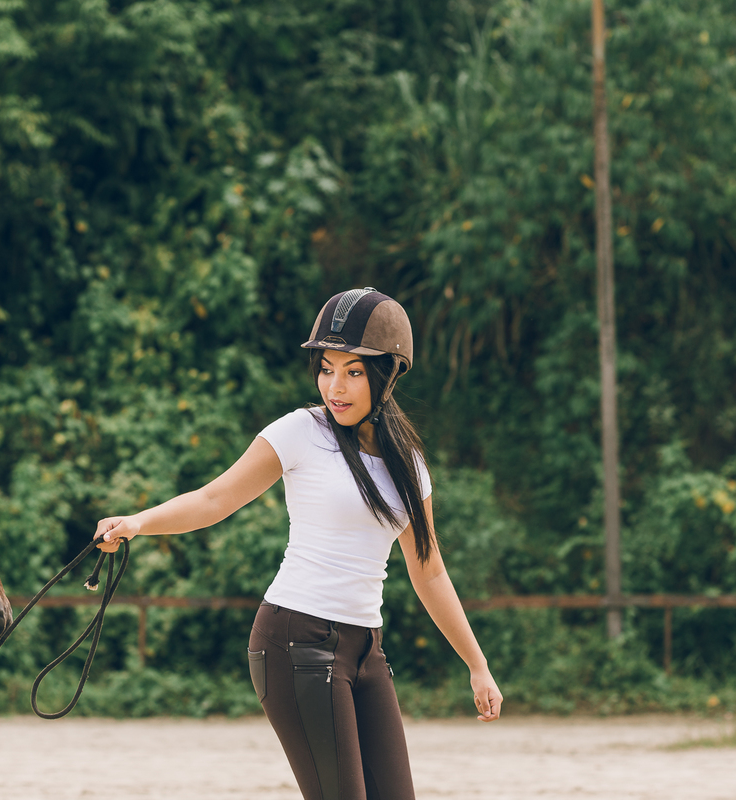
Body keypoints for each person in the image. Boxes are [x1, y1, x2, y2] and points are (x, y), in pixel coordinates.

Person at [94, 287, 503, 800]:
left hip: (366, 649)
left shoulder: (409, 466)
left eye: (354, 371)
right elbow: (214, 499)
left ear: (388, 375)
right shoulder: (300, 432)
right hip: (295, 639)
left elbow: (430, 571)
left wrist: (477, 665)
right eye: (327, 368)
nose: (336, 385)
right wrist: (137, 522)